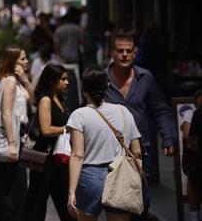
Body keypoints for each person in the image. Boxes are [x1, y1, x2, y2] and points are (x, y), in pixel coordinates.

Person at [104, 34, 177, 219]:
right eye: (120, 51)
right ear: (112, 53)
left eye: (129, 51)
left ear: (135, 53)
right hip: (109, 154)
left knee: (141, 203)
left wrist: (168, 138)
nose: (125, 55)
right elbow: (87, 112)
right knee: (115, 204)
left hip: (140, 152)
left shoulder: (145, 77)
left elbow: (160, 109)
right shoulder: (101, 79)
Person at [66, 67, 142, 221]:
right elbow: (137, 152)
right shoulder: (124, 111)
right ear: (107, 85)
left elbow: (77, 155)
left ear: (82, 87)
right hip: (120, 175)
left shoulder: (79, 115)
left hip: (89, 178)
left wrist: (71, 191)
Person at [0, 46, 34, 221]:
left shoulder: (16, 80)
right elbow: (6, 113)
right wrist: (12, 143)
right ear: (13, 61)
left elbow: (34, 100)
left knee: (4, 184)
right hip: (12, 135)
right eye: (22, 59)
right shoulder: (10, 81)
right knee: (13, 186)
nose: (26, 61)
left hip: (17, 133)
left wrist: (25, 80)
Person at [24, 63, 74, 221]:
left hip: (58, 158)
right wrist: (69, 128)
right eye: (63, 79)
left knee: (65, 203)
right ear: (52, 81)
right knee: (37, 206)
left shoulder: (59, 98)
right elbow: (46, 130)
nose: (67, 82)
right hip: (44, 159)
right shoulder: (45, 100)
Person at [182, 90, 202, 221]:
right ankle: (194, 217)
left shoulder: (196, 114)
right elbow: (188, 136)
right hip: (196, 157)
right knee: (193, 178)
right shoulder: (192, 114)